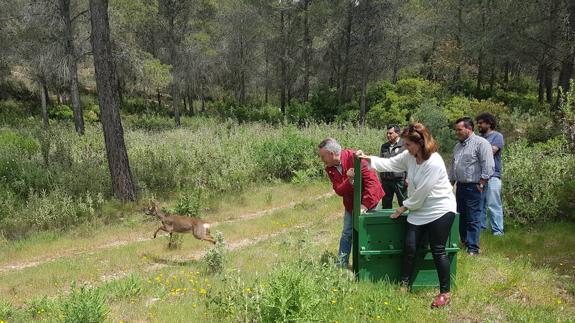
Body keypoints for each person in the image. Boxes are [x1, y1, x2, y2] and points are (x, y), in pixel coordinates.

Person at [356, 123, 457, 308]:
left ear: (420, 143)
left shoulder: (434, 162)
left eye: (408, 144)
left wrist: (403, 207)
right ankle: (404, 285)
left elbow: (421, 193)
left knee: (438, 249)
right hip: (419, 210)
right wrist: (366, 159)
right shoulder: (409, 156)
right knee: (410, 247)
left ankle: (445, 293)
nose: (405, 148)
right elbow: (389, 163)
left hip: (440, 208)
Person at [318, 138, 384, 268]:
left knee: (369, 232)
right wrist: (349, 180)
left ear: (331, 154)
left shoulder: (356, 158)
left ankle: (370, 265)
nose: (321, 159)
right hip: (351, 205)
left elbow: (373, 184)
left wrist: (364, 205)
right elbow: (339, 190)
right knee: (347, 233)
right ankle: (341, 264)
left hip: (370, 201)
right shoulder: (330, 168)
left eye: (322, 156)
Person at [450, 117, 494, 256]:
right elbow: (454, 166)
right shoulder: (457, 146)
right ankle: (465, 242)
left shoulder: (481, 143)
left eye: (459, 129)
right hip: (461, 186)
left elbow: (488, 164)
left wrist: (482, 182)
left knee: (473, 217)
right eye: (456, 129)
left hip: (475, 186)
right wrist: (450, 183)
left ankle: (473, 248)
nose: (456, 132)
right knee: (461, 216)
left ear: (469, 129)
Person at [476, 113, 505, 236]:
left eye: (481, 122)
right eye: (478, 122)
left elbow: (491, 152)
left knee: (494, 204)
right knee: (480, 205)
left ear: (489, 123)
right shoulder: (478, 138)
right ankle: (481, 231)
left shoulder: (497, 136)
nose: (479, 125)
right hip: (479, 177)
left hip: (493, 176)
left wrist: (476, 152)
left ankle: (498, 232)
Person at [379, 125, 407, 209]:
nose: (388, 135)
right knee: (386, 205)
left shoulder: (404, 145)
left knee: (403, 203)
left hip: (400, 179)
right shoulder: (384, 146)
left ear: (397, 133)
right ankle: (387, 221)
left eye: (390, 133)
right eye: (387, 133)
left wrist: (408, 177)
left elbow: (409, 162)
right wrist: (381, 178)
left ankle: (405, 221)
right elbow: (381, 162)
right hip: (386, 180)